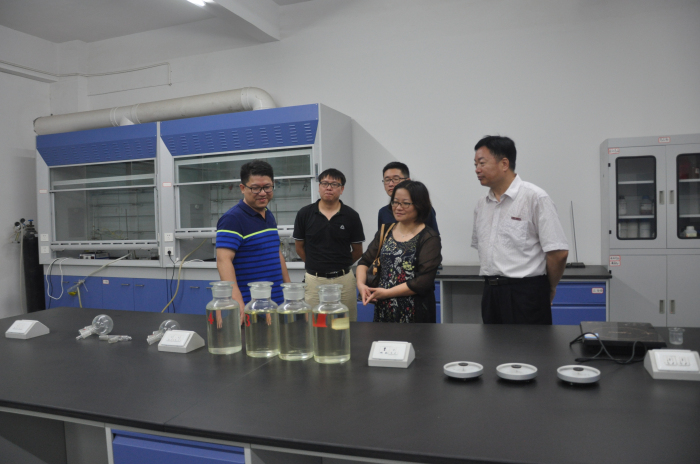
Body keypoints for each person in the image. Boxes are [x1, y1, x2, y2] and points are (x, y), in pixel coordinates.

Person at [471, 136, 569, 325]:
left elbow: (558, 253)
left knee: (530, 345)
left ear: (504, 163)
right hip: (491, 293)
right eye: (475, 164)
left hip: (526, 294)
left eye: (482, 163)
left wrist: (549, 287)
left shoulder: (535, 197)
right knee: (492, 344)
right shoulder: (482, 204)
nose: (477, 169)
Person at [357, 180, 442, 323]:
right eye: (395, 202)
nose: (398, 207)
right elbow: (364, 261)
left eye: (405, 203)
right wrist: (361, 285)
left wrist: (387, 293)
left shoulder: (428, 237)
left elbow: (423, 281)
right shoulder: (386, 230)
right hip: (384, 309)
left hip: (415, 311)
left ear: (420, 205)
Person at [216, 160, 291, 321]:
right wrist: (238, 303)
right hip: (251, 307)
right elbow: (223, 260)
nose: (262, 193)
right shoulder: (233, 219)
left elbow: (276, 252)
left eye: (267, 187)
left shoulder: (268, 214)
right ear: (243, 188)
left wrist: (288, 289)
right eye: (255, 188)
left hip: (276, 303)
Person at [293, 168, 365, 320]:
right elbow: (299, 247)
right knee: (314, 324)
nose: (329, 187)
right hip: (314, 280)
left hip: (344, 280)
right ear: (319, 187)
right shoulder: (304, 214)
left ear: (342, 189)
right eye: (325, 183)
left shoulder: (351, 216)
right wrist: (315, 264)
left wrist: (339, 265)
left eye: (334, 184)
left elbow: (358, 251)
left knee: (347, 324)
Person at [378, 162, 439, 234]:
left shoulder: (421, 208)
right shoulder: (383, 212)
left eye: (396, 179)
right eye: (387, 180)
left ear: (407, 181)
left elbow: (433, 236)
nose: (391, 184)